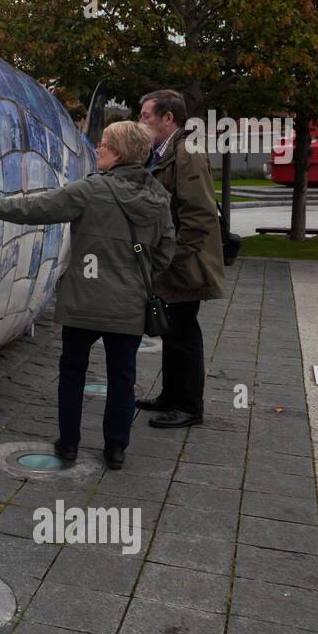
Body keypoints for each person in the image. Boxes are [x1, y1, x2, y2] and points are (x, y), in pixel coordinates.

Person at [0, 121, 174, 469]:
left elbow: (40, 207)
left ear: (119, 154)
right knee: (123, 376)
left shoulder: (92, 190)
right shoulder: (158, 197)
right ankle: (115, 448)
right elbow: (167, 250)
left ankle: (68, 444)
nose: (97, 147)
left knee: (73, 371)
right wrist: (136, 279)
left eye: (104, 144)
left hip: (84, 301)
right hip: (128, 305)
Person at [135, 89, 225, 428]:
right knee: (170, 331)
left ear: (167, 118)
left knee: (183, 332)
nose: (140, 121)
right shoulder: (163, 152)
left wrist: (172, 257)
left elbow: (199, 214)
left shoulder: (187, 151)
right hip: (170, 259)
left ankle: (189, 406)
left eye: (146, 115)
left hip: (183, 263)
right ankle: (171, 396)